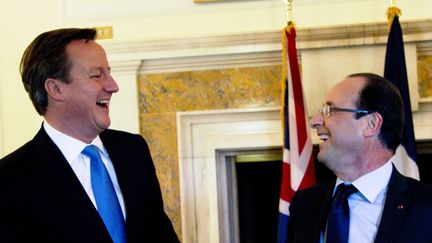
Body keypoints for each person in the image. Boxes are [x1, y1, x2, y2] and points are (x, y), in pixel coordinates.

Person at [0, 28, 179, 243]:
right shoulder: (10, 179)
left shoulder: (133, 150)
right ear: (56, 89)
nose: (113, 86)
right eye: (97, 75)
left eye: (109, 73)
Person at [287, 73, 432, 243]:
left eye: (329, 110)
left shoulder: (426, 206)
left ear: (371, 124)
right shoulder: (305, 204)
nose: (315, 121)